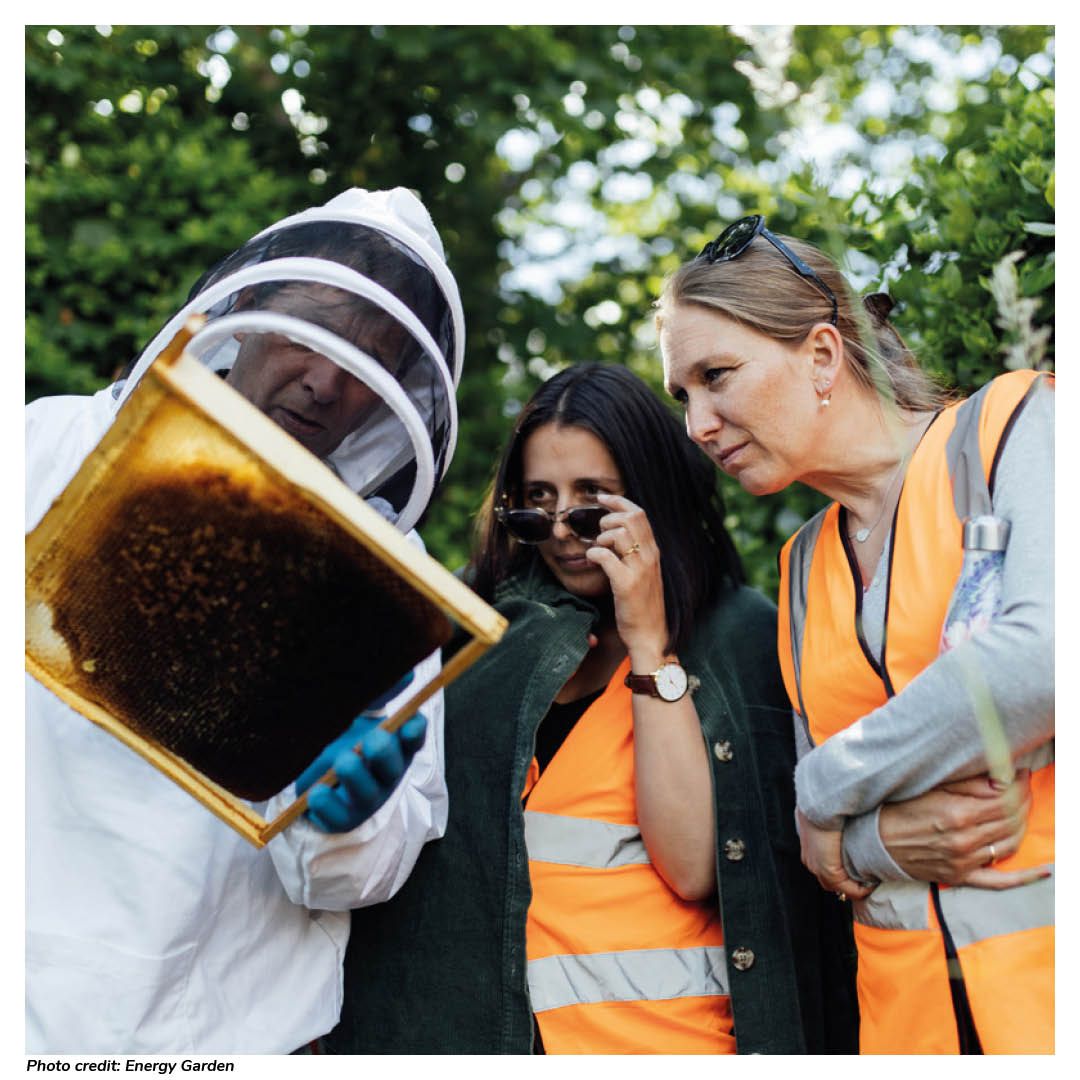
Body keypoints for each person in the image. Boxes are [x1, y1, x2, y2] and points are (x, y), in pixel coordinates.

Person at [25, 187, 466, 1053]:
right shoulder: (43, 447)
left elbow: (359, 879)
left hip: (218, 1029)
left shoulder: (384, 584)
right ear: (249, 304)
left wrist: (345, 814)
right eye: (314, 329)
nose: (327, 381)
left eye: (368, 358)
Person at [324, 363, 858, 1054]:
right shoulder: (478, 643)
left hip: (677, 1045)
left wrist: (646, 641)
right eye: (535, 503)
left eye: (590, 504)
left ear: (651, 494)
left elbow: (693, 865)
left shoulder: (742, 638)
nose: (562, 532)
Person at [656, 214, 1054, 1054]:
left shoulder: (1017, 426)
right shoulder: (801, 569)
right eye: (683, 396)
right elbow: (825, 847)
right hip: (906, 1036)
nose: (698, 425)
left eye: (717, 375)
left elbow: (1043, 659)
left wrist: (824, 787)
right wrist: (873, 838)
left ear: (825, 356)